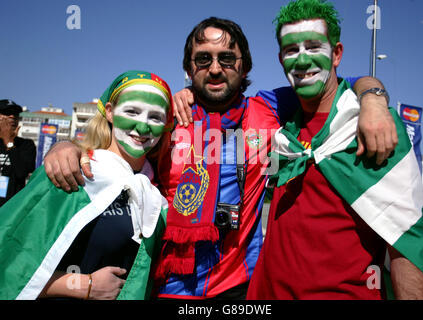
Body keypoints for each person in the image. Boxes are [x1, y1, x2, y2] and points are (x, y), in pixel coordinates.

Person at [43, 18, 397, 299]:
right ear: (188, 68)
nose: (215, 68)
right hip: (167, 286)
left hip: (241, 289)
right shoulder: (166, 118)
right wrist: (67, 148)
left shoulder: (269, 109)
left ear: (244, 69)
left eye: (227, 59)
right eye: (203, 59)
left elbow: (339, 83)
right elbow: (111, 149)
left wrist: (374, 98)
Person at [246, 0, 423, 300]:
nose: (302, 60)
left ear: (337, 54)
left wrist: (372, 97)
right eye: (291, 50)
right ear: (280, 59)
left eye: (314, 46)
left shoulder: (373, 126)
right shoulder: (282, 126)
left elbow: (406, 240)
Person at [0, 70, 173, 300]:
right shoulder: (69, 171)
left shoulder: (155, 196)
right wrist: (82, 284)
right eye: (131, 111)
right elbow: (9, 263)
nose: (142, 127)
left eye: (155, 117)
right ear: (110, 113)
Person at [0, 99, 36, 207]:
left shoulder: (26, 145)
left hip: (10, 208)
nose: (12, 117)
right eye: (7, 113)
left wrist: (9, 142)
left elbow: (21, 173)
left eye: (15, 114)